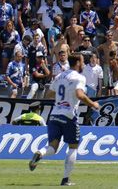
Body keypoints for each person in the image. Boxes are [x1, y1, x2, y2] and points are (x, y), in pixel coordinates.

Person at [28, 53, 100, 187]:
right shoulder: (80, 77)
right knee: (73, 146)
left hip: (55, 115)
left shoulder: (60, 76)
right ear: (78, 62)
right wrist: (93, 104)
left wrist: (62, 96)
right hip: (69, 116)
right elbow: (80, 95)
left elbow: (49, 94)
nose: (83, 64)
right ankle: (65, 179)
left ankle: (40, 153)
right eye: (82, 61)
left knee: (52, 147)